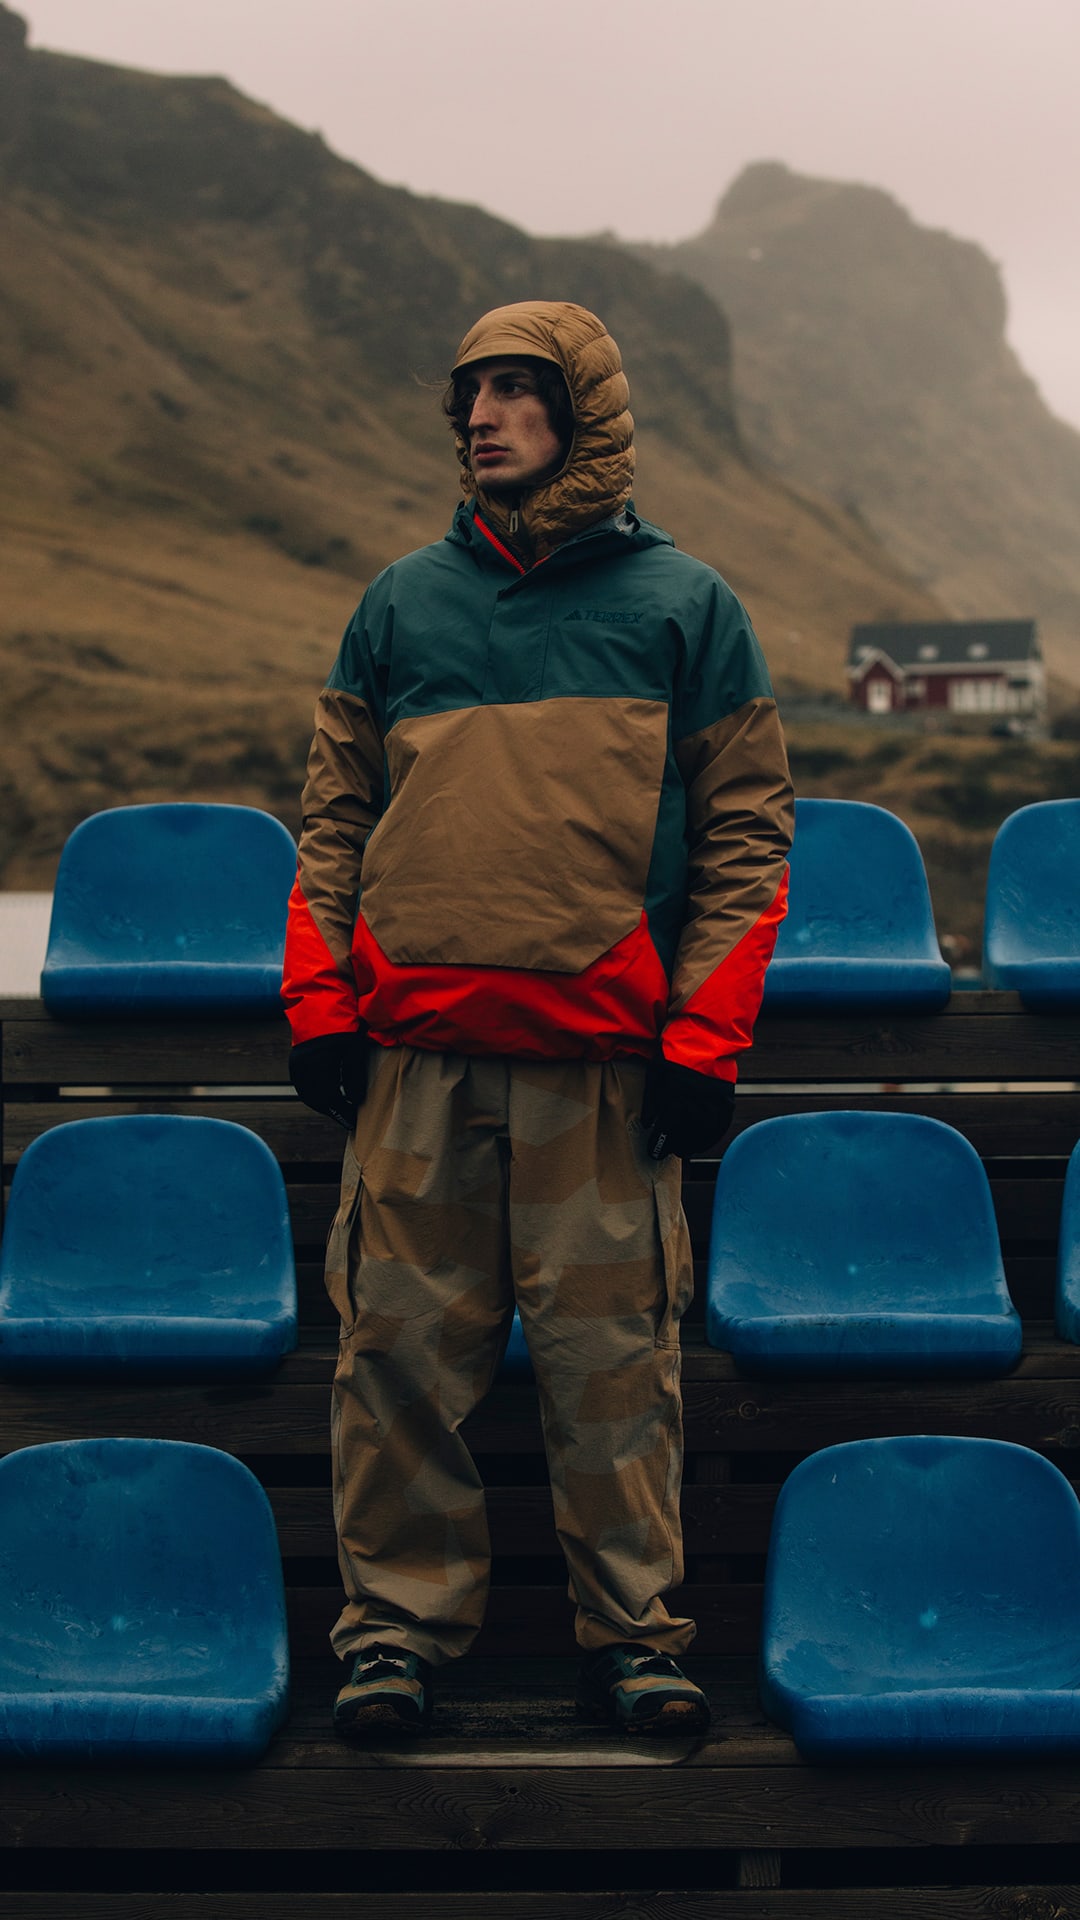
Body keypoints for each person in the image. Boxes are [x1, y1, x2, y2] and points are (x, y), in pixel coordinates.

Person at [282, 300, 794, 1740]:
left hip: (603, 1074)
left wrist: (704, 1041)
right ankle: (394, 1635)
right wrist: (322, 1005)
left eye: (519, 391)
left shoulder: (687, 607)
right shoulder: (398, 604)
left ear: (588, 415)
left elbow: (752, 837)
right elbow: (332, 825)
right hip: (417, 1063)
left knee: (612, 1372)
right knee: (394, 1362)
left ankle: (635, 1637)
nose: (484, 415)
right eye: (472, 394)